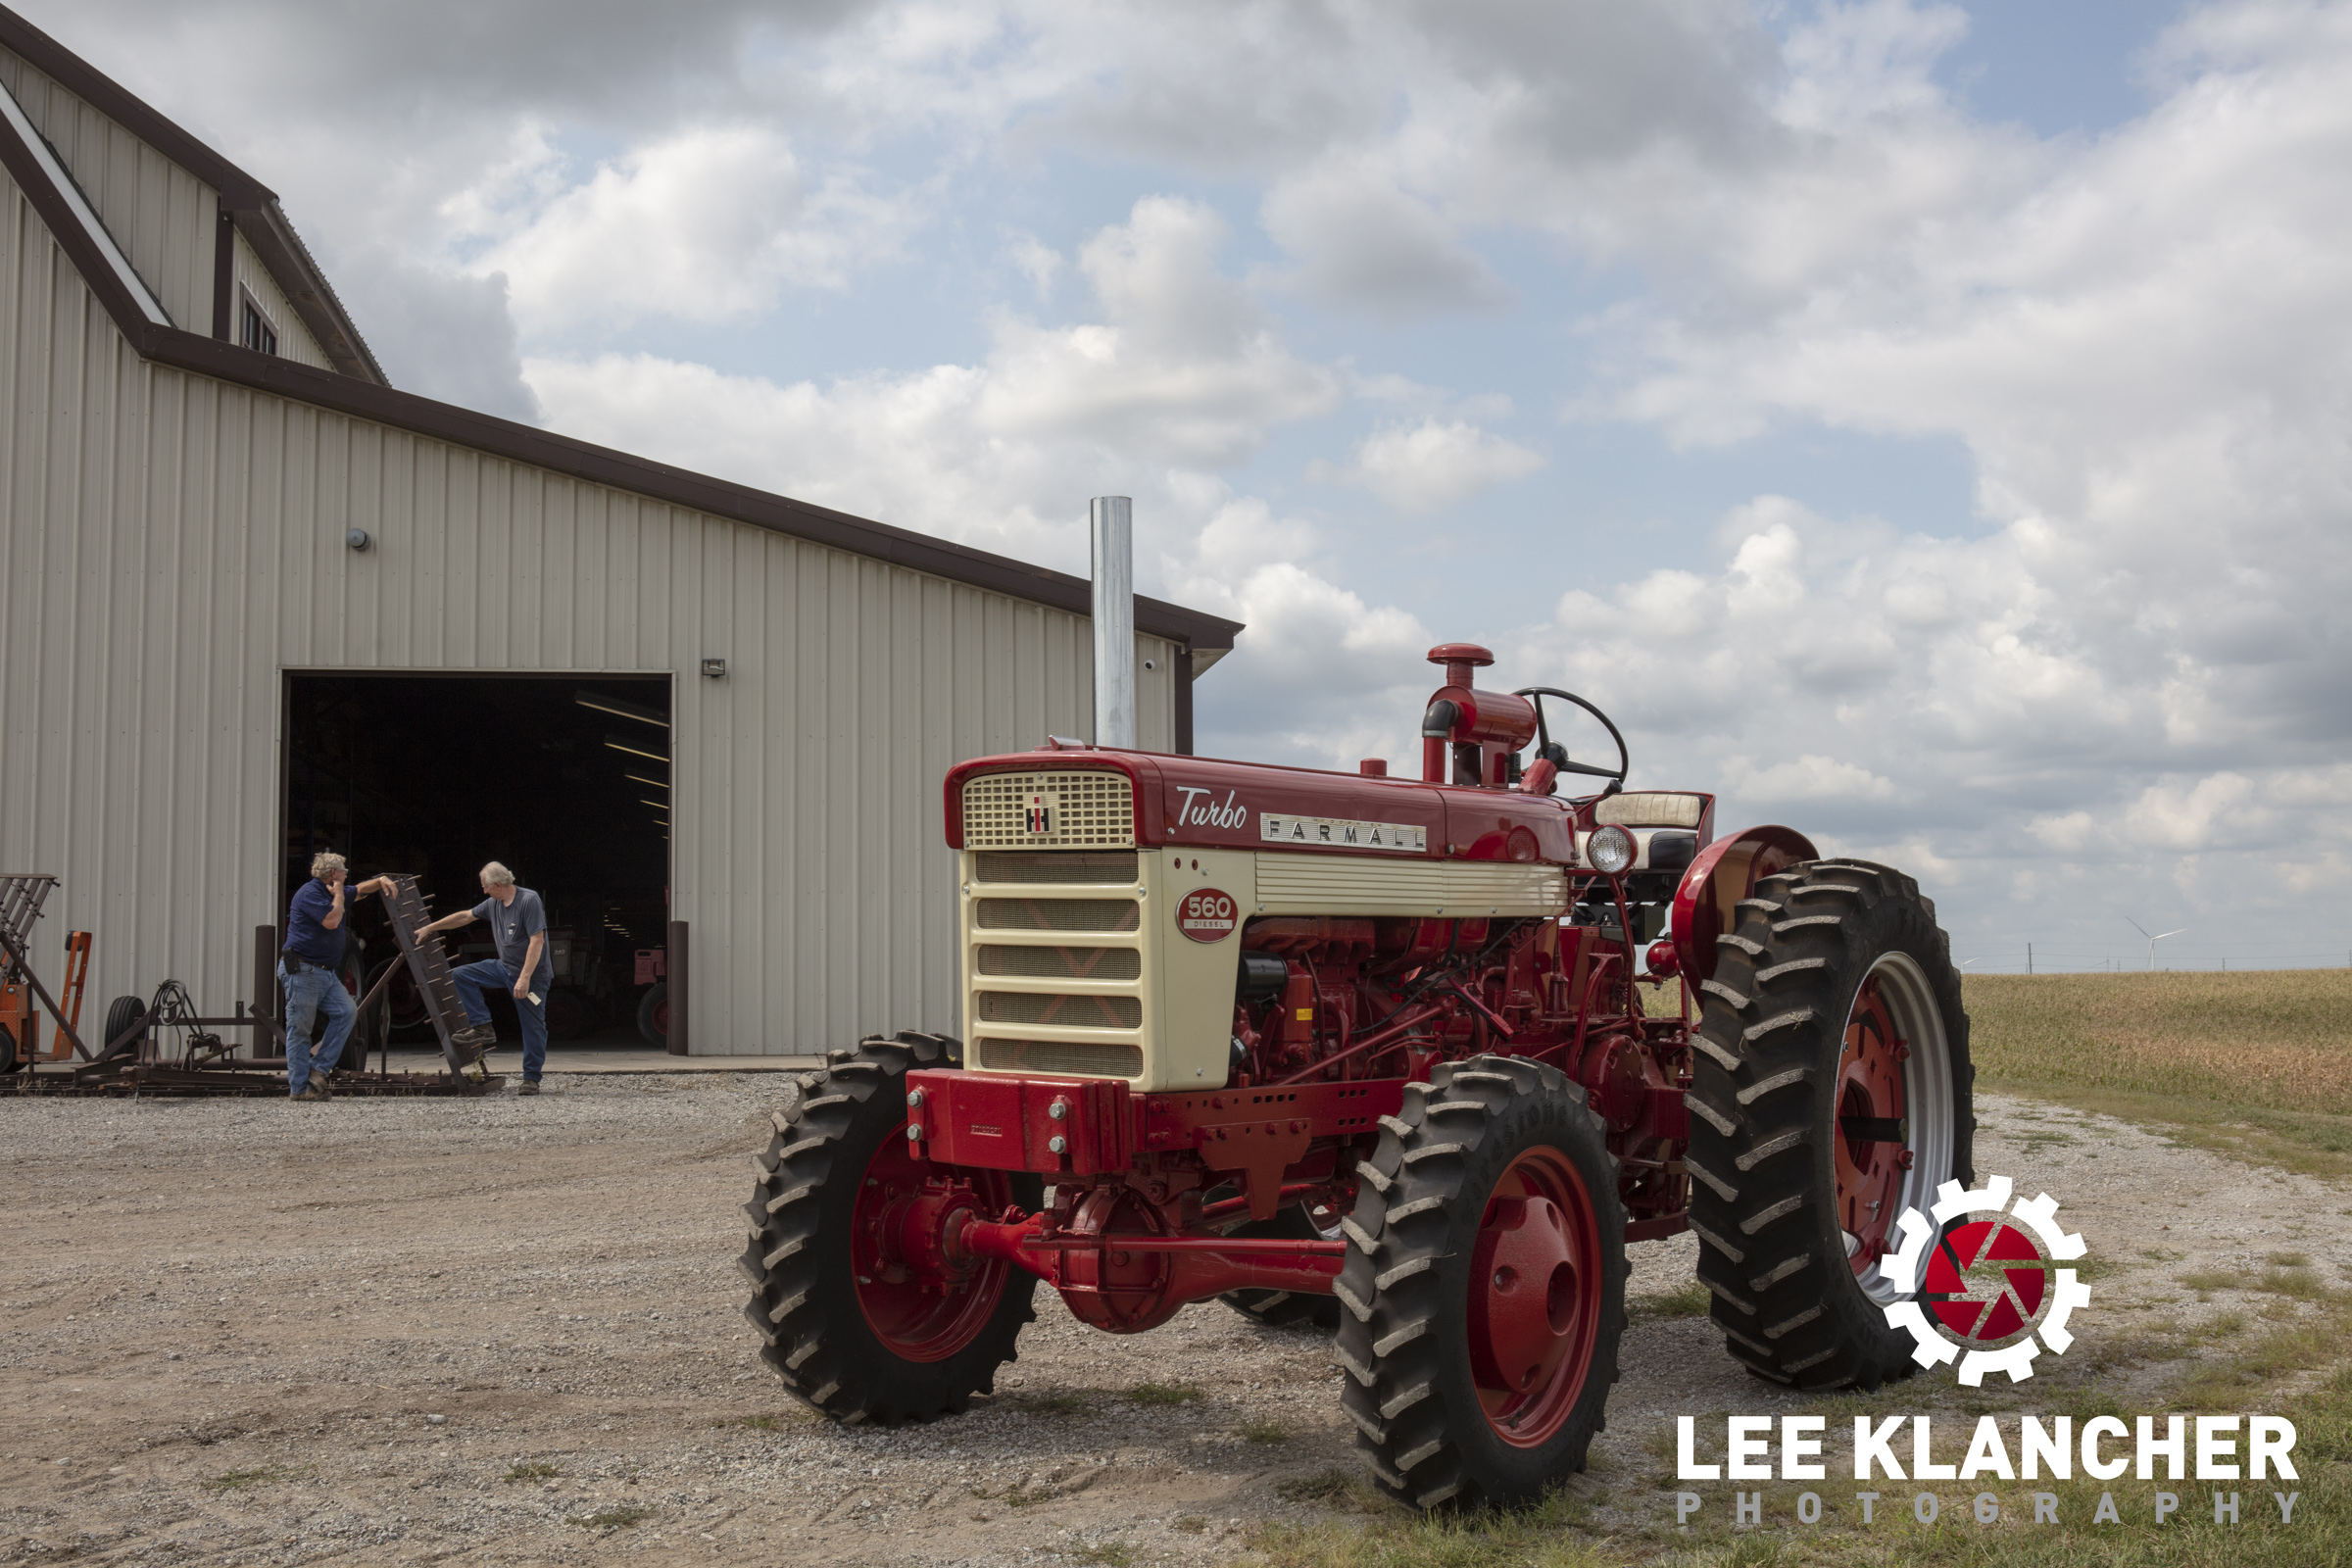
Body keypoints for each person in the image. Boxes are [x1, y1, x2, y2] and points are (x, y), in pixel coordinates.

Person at [414, 861, 554, 1095]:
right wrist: (431, 927)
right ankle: (482, 1027)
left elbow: (537, 941)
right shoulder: (493, 903)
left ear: (498, 884)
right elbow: (464, 917)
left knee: (533, 1027)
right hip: (505, 967)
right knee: (462, 974)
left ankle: (531, 1079)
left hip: (532, 976)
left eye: (485, 886)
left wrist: (524, 978)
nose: (484, 891)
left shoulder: (528, 900)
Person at [281, 852, 395, 1101]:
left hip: (324, 972)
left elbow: (360, 889)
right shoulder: (311, 893)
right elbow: (332, 921)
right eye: (344, 871)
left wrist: (381, 881)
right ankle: (299, 1090)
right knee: (300, 1028)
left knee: (346, 1012)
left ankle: (319, 1069)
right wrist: (340, 892)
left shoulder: (330, 892)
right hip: (303, 970)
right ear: (333, 874)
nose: (346, 874)